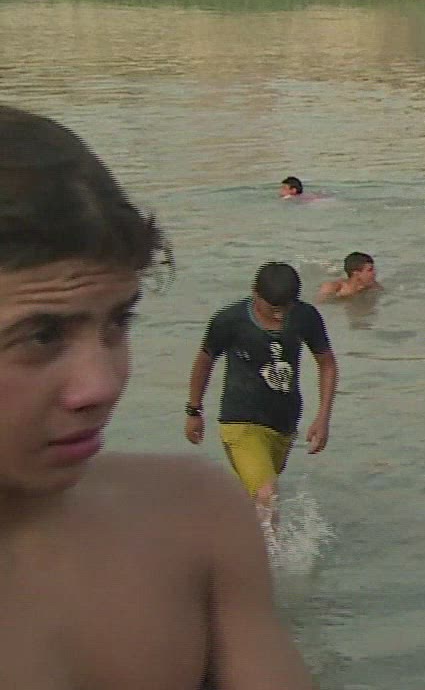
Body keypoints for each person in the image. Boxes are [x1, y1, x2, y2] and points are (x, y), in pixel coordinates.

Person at [0, 105, 313, 688]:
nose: (103, 384)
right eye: (41, 336)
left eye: (118, 323)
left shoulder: (193, 521)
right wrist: (196, 408)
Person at [187, 262, 338, 525]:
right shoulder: (229, 320)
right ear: (255, 293)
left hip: (284, 423)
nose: (279, 316)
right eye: (273, 309)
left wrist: (323, 416)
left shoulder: (305, 317)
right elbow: (204, 362)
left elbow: (327, 363)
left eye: (285, 309)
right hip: (240, 421)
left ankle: (224, 532)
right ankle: (265, 552)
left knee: (259, 496)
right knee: (267, 495)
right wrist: (194, 410)